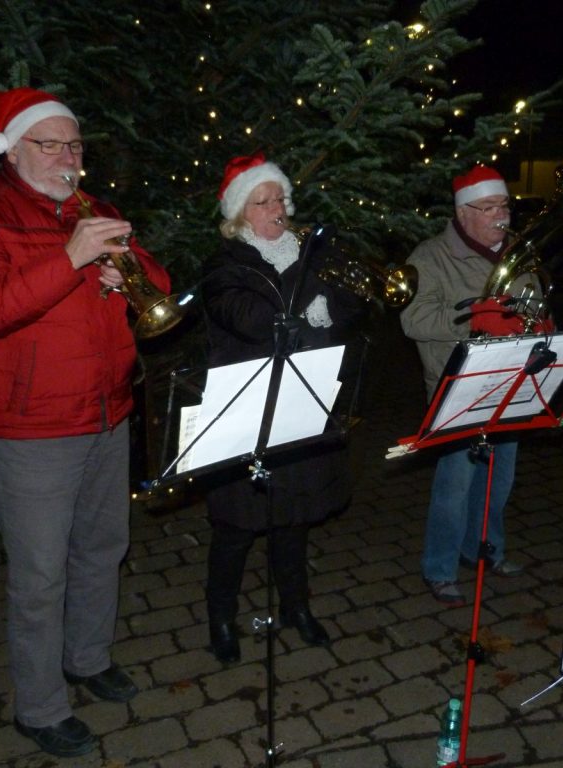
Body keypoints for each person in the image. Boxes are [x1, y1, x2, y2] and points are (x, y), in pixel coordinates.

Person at [0, 87, 169, 758]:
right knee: (39, 577)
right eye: (52, 144)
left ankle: (88, 660)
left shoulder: (95, 209)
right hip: (29, 425)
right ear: (13, 148)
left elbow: (153, 279)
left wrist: (124, 272)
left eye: (75, 145)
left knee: (102, 549)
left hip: (108, 410)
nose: (68, 157)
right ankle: (39, 707)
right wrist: (69, 259)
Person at [200, 152, 364, 663]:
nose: (276, 208)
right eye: (261, 201)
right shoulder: (225, 266)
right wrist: (308, 266)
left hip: (303, 403)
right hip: (248, 411)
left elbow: (350, 312)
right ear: (238, 214)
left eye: (279, 198)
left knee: (294, 520)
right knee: (236, 529)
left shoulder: (306, 256)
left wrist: (340, 280)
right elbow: (256, 319)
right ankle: (221, 619)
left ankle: (296, 606)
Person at [400, 165, 539, 606]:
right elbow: (412, 320)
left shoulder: (518, 251)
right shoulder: (429, 256)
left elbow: (534, 299)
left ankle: (485, 551)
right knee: (455, 485)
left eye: (504, 206)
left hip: (513, 381)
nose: (502, 216)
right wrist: (473, 320)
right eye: (490, 207)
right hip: (458, 386)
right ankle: (439, 568)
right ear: (463, 213)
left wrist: (539, 325)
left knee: (499, 480)